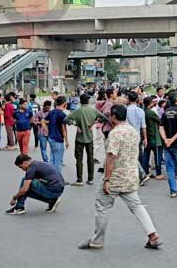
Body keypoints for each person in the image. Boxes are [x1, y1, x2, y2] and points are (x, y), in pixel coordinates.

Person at [79, 104, 161, 250]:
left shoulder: (115, 133)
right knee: (137, 206)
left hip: (115, 177)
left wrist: (106, 180)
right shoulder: (132, 131)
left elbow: (111, 157)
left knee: (103, 206)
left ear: (114, 117)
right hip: (130, 176)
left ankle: (97, 240)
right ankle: (152, 234)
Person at [65, 93, 107, 186]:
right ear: (88, 101)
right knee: (90, 158)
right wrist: (94, 123)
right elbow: (104, 118)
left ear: (80, 101)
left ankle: (79, 179)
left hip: (79, 138)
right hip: (89, 138)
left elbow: (66, 120)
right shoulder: (93, 111)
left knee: (79, 159)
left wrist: (75, 124)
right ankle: (90, 179)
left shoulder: (77, 111)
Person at [44, 97, 69, 174]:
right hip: (58, 139)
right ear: (64, 104)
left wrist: (47, 131)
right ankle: (57, 179)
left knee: (52, 159)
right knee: (58, 160)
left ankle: (50, 177)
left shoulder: (52, 112)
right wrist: (66, 141)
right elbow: (63, 129)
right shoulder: (62, 115)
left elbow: (43, 121)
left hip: (51, 138)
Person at [142, 96, 165, 180]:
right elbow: (160, 121)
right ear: (150, 103)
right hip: (155, 137)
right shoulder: (151, 112)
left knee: (146, 156)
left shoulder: (143, 112)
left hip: (147, 137)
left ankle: (145, 173)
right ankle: (158, 173)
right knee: (158, 157)